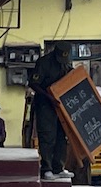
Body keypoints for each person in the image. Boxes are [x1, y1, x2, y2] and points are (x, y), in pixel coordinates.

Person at [27, 43, 72, 179]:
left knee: (61, 136)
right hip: (45, 105)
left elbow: (70, 74)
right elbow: (33, 83)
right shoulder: (44, 63)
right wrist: (49, 97)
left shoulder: (65, 63)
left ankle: (59, 167)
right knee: (47, 136)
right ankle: (46, 168)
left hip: (60, 105)